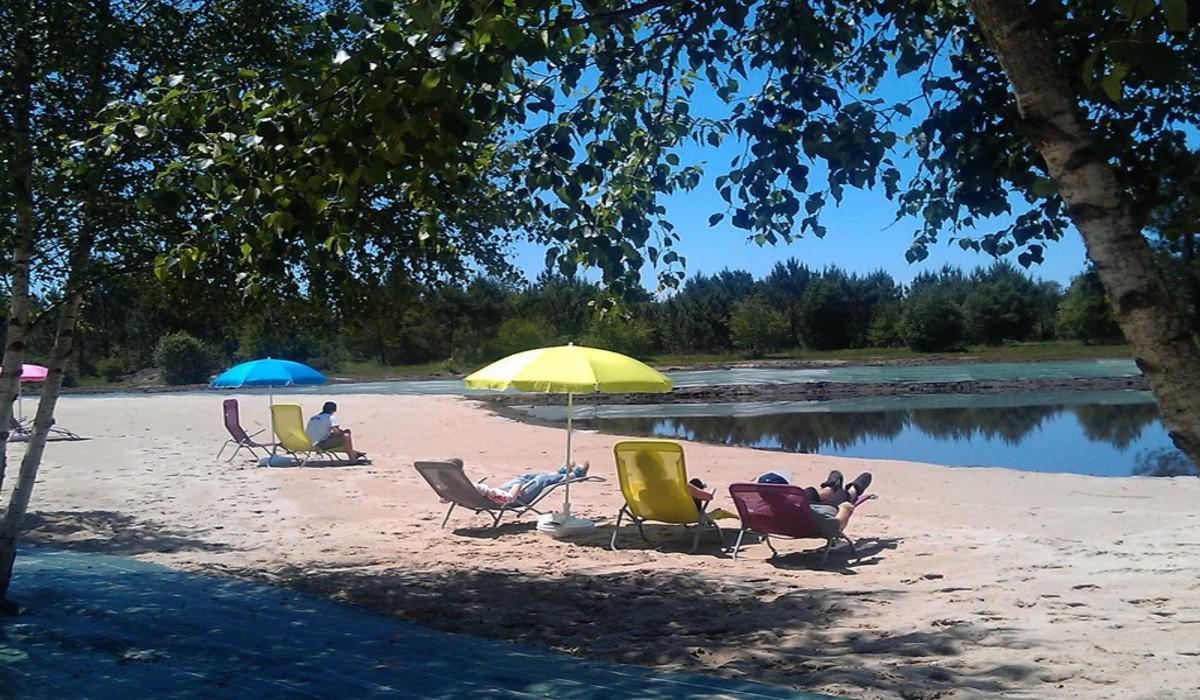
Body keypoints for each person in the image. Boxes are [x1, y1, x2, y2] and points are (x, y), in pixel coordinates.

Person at [758, 469, 874, 535]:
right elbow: (837, 525)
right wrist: (845, 508)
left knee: (808, 492)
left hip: (789, 514)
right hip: (816, 514)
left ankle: (830, 488)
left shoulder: (760, 510)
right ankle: (854, 489)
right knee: (841, 494)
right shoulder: (807, 513)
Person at [464, 460, 591, 506]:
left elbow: (444, 500)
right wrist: (517, 487)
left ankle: (559, 473)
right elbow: (508, 499)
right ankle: (576, 475)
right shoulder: (476, 490)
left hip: (496, 493)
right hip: (512, 500)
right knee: (541, 480)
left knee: (526, 476)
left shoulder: (453, 488)